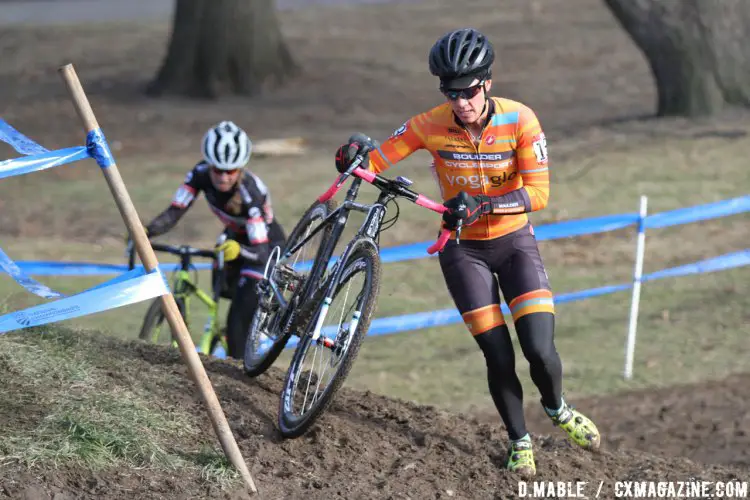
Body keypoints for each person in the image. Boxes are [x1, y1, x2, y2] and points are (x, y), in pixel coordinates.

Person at [333, 28, 599, 477]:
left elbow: (539, 193)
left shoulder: (521, 120)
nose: (461, 102)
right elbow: (378, 160)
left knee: (538, 347)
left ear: (487, 83)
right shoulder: (429, 124)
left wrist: (487, 204)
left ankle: (556, 407)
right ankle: (520, 441)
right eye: (451, 92)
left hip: (515, 243)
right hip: (462, 251)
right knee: (497, 354)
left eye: (469, 91)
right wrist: (353, 155)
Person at [139, 120, 285, 360]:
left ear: (241, 169)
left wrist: (240, 250)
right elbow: (175, 210)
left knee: (239, 317)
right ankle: (219, 332)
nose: (224, 177)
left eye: (231, 171)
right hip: (234, 237)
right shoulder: (199, 174)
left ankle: (242, 349)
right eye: (217, 170)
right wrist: (145, 231)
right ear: (208, 164)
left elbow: (260, 252)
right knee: (221, 287)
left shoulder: (251, 193)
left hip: (265, 246)